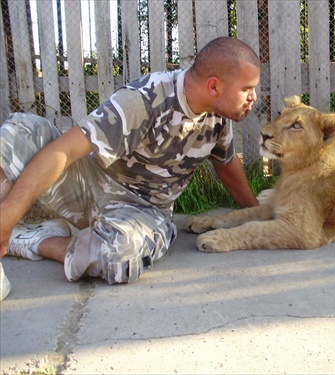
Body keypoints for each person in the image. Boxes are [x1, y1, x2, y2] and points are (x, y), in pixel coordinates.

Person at [0, 36, 261, 299]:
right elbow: (65, 150)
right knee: (21, 132)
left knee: (121, 257)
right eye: (247, 89)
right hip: (91, 181)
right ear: (214, 86)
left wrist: (256, 212)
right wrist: (9, 212)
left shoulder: (218, 118)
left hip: (144, 210)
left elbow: (226, 163)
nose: (253, 97)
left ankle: (35, 240)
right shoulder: (144, 99)